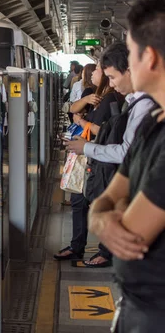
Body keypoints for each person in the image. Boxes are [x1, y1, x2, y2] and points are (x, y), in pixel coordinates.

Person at [88, 0, 165, 331]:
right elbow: (110, 196)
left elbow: (132, 234)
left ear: (148, 58)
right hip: (139, 310)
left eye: (131, 53)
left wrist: (105, 217)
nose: (128, 65)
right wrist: (102, 217)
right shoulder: (152, 122)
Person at [66, 43, 154, 267]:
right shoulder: (136, 102)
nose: (112, 84)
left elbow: (126, 152)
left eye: (113, 77)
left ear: (131, 70)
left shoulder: (145, 106)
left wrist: (86, 147)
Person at [54, 61, 124, 261]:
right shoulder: (98, 97)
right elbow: (75, 110)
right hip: (92, 157)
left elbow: (108, 132)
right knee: (79, 200)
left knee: (99, 203)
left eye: (98, 69)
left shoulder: (111, 98)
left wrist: (83, 122)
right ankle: (77, 246)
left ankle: (106, 252)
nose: (94, 72)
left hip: (101, 158)